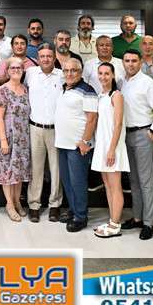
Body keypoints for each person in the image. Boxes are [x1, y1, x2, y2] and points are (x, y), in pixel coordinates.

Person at [119, 49, 153, 240]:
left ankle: (148, 223)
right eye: (127, 60)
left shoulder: (147, 82)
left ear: (140, 62)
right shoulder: (122, 82)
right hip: (127, 135)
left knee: (146, 181)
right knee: (133, 180)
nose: (130, 64)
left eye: (134, 60)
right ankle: (137, 218)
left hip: (143, 134)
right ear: (123, 63)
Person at [55, 58, 98, 233]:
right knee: (67, 181)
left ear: (80, 72)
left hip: (78, 145)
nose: (69, 74)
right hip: (62, 143)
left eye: (73, 70)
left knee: (78, 182)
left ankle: (81, 217)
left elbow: (92, 118)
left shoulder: (87, 90)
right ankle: (73, 210)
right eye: (66, 70)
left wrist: (85, 141)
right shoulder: (63, 88)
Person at [24, 44, 64, 223]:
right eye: (42, 56)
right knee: (36, 169)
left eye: (49, 56)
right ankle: (34, 205)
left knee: (56, 169)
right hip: (35, 128)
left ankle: (55, 205)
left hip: (57, 129)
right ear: (37, 58)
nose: (46, 59)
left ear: (54, 58)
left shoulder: (62, 75)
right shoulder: (30, 73)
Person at [91, 62, 129, 238]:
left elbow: (118, 124)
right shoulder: (101, 95)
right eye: (100, 73)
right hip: (102, 145)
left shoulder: (116, 95)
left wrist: (112, 149)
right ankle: (112, 220)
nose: (103, 77)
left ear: (113, 75)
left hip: (113, 146)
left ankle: (115, 225)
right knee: (107, 185)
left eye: (107, 73)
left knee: (115, 186)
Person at [0, 57, 32, 222]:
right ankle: (9, 204)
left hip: (23, 138)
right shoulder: (2, 90)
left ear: (23, 70)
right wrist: (3, 140)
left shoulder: (25, 89)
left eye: (19, 68)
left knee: (19, 172)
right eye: (13, 68)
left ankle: (17, 202)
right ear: (8, 71)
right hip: (8, 136)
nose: (16, 70)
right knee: (7, 171)